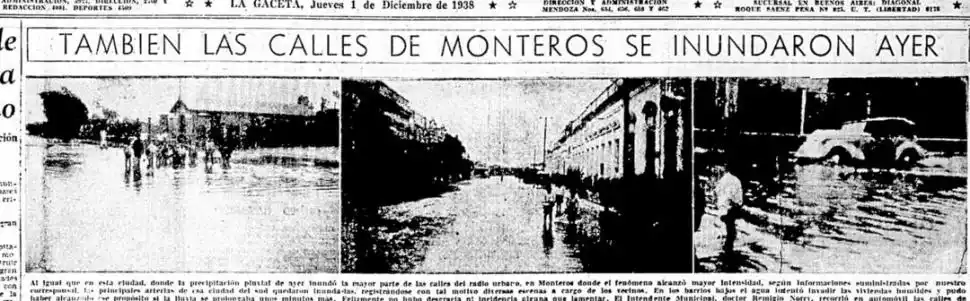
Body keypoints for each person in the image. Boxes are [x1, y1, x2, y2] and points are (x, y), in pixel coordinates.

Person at [714, 161, 744, 253]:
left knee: (726, 233)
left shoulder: (722, 180)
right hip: (731, 210)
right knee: (731, 234)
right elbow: (739, 202)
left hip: (722, 209)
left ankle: (725, 249)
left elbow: (715, 193)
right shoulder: (737, 181)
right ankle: (729, 251)